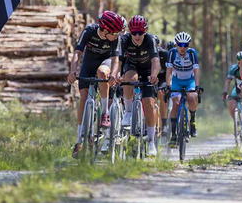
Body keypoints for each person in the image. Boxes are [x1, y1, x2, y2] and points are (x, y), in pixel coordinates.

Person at [68, 11, 124, 159]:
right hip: (88, 63)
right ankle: (79, 140)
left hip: (105, 63)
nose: (117, 35)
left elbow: (115, 59)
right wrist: (73, 71)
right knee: (83, 100)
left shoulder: (114, 39)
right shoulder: (89, 31)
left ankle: (105, 113)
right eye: (115, 32)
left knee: (102, 73)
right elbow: (77, 53)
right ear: (105, 30)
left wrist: (113, 74)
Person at [114, 15, 160, 157]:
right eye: (134, 32)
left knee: (149, 104)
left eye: (140, 32)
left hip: (147, 70)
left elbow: (155, 61)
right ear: (130, 32)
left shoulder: (150, 39)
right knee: (130, 77)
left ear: (145, 31)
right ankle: (128, 112)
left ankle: (151, 141)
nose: (137, 35)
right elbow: (119, 61)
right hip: (131, 66)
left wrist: (154, 75)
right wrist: (116, 74)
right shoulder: (124, 40)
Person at [166, 32, 202, 148]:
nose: (182, 47)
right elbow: (169, 71)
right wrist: (168, 85)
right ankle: (173, 135)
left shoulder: (192, 53)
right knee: (176, 103)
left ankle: (192, 121)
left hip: (189, 80)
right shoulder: (172, 53)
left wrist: (196, 86)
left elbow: (196, 71)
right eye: (180, 44)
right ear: (176, 44)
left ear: (188, 45)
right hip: (177, 80)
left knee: (191, 97)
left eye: (185, 45)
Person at [154, 35, 169, 136]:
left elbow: (169, 70)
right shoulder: (147, 53)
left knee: (161, 93)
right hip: (152, 78)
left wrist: (169, 84)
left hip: (163, 78)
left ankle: (164, 124)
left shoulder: (164, 53)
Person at [222, 51, 242, 119]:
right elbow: (228, 81)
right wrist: (225, 92)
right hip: (237, 89)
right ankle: (236, 122)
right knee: (231, 105)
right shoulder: (234, 68)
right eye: (240, 62)